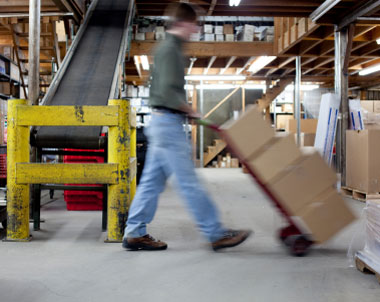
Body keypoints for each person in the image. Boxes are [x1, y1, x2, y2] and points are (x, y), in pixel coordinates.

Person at [122, 3, 251, 251]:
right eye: (194, 24)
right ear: (183, 23)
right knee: (188, 182)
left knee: (150, 183)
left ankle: (135, 232)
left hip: (159, 122)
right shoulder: (171, 49)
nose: (197, 28)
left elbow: (158, 87)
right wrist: (192, 111)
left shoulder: (165, 48)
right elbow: (168, 93)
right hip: (169, 124)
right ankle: (215, 233)